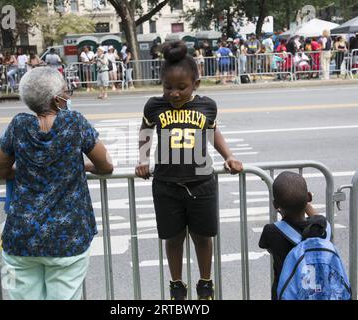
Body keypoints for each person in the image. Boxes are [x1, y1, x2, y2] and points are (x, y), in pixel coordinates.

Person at [0, 66, 113, 300]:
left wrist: (31, 168)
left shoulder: (18, 125)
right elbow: (106, 165)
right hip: (68, 237)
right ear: (57, 99)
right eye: (66, 92)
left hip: (21, 237)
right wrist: (80, 166)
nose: (68, 96)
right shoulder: (75, 122)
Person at [135, 41, 243, 300]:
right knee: (173, 239)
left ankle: (205, 284)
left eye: (181, 88)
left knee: (203, 237)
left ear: (195, 84)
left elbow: (212, 133)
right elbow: (145, 132)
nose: (173, 93)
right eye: (168, 87)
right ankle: (176, 285)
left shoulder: (207, 106)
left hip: (201, 184)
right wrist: (143, 159)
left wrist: (228, 156)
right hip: (166, 184)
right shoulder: (154, 106)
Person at [258, 171, 325, 300]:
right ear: (309, 198)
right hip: (317, 293)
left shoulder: (271, 231)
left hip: (286, 294)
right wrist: (305, 201)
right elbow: (317, 217)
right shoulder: (321, 228)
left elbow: (266, 246)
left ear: (275, 205)